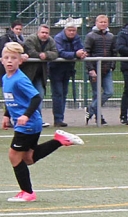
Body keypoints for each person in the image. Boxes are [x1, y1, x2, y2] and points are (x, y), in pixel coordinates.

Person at [2, 42, 84, 203]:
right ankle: (59, 140)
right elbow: (12, 98)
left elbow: (36, 97)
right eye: (7, 57)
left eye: (14, 58)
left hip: (28, 124)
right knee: (28, 158)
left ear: (21, 60)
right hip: (26, 124)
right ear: (2, 60)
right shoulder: (6, 78)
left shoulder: (19, 79)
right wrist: (6, 115)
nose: (10, 61)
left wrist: (26, 116)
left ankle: (27, 193)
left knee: (14, 156)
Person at [49, 20, 86, 127]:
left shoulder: (76, 38)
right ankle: (58, 119)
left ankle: (60, 118)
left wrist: (82, 53)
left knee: (64, 93)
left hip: (67, 70)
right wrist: (75, 54)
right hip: (56, 70)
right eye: (70, 30)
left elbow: (80, 48)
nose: (72, 32)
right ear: (65, 30)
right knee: (58, 94)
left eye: (74, 30)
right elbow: (60, 52)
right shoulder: (58, 38)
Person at [22, 24, 58, 127]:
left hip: (40, 75)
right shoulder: (30, 39)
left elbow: (55, 53)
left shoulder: (50, 40)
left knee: (39, 96)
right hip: (27, 74)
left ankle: (38, 120)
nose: (44, 35)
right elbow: (30, 51)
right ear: (38, 33)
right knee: (23, 97)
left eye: (46, 33)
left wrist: (46, 55)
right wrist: (39, 55)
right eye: (42, 32)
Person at [83, 14, 116, 126]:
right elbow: (86, 53)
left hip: (107, 69)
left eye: (105, 22)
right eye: (101, 22)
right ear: (96, 23)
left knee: (109, 92)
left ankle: (91, 108)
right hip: (95, 70)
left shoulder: (111, 36)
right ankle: (99, 117)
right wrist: (91, 69)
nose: (103, 24)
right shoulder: (90, 36)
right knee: (96, 94)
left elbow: (113, 52)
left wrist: (112, 66)